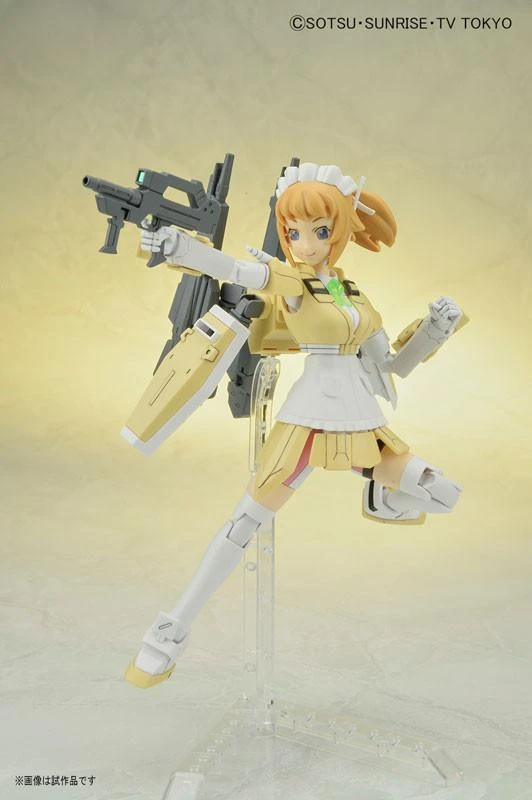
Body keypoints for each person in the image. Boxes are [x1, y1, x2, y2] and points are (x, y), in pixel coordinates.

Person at [125, 162, 463, 689]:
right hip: (306, 420)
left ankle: (381, 498)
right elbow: (241, 271)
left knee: (442, 494)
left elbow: (394, 365)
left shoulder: (353, 294)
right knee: (243, 524)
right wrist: (180, 247)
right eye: (293, 232)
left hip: (362, 421)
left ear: (341, 231)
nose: (305, 244)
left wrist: (437, 329)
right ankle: (169, 632)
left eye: (319, 231)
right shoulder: (292, 280)